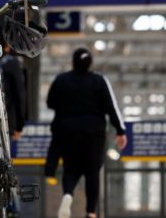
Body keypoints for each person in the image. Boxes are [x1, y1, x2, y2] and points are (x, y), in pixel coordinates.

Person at [45, 48, 128, 218]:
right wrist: (120, 130)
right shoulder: (99, 80)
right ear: (90, 63)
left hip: (67, 131)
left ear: (73, 62)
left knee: (70, 169)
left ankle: (68, 193)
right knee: (92, 172)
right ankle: (90, 212)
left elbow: (50, 102)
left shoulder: (62, 80)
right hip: (93, 132)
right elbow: (111, 107)